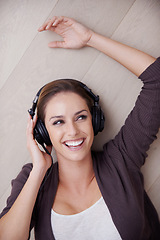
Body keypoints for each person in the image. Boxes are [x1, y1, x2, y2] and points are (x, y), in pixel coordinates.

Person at [0, 16, 160, 240]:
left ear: (95, 120)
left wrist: (90, 38)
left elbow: (157, 79)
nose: (73, 131)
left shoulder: (121, 159)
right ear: (42, 131)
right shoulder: (33, 178)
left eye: (81, 117)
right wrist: (39, 170)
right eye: (58, 122)